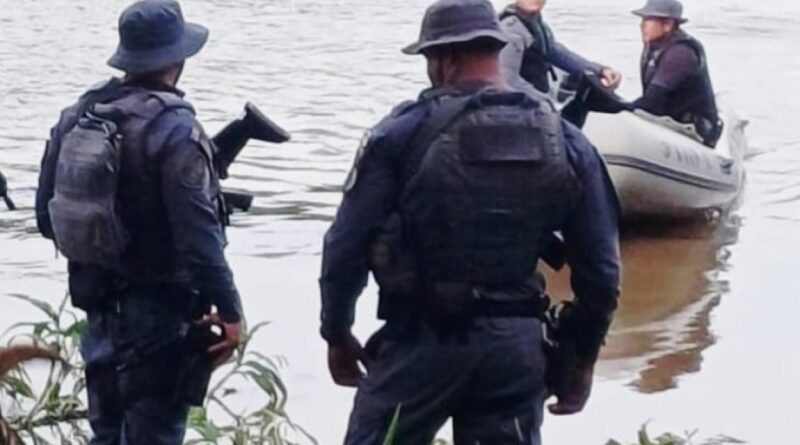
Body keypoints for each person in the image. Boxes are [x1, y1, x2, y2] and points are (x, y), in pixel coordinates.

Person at [319, 0, 621, 443]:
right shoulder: (566, 140)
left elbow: (346, 247)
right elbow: (602, 274)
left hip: (420, 345)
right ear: (495, 49)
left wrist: (337, 332)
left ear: (442, 58)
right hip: (515, 351)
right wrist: (580, 359)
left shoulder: (402, 134)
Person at [35, 1, 243, 444]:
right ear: (177, 60)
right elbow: (199, 239)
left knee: (107, 434)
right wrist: (231, 312)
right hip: (160, 318)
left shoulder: (80, 114)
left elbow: (45, 216)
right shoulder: (176, 130)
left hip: (97, 308)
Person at [630, 0, 722, 147]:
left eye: (648, 20)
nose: (642, 25)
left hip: (695, 129)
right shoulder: (653, 47)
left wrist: (618, 109)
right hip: (668, 122)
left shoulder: (680, 54)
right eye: (643, 19)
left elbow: (653, 100)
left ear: (667, 25)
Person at [499, 0, 622, 94]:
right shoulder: (510, 30)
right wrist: (544, 102)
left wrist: (599, 70)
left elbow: (554, 52)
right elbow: (507, 81)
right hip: (517, 106)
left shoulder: (535, 22)